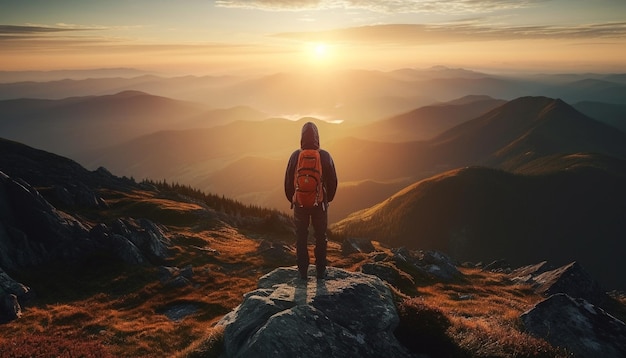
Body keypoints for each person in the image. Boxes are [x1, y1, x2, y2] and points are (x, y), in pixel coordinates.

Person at [284, 121, 337, 280]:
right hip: (319, 203)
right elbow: (333, 181)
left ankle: (302, 272)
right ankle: (321, 271)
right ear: (317, 137)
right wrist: (327, 199)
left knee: (301, 236)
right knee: (320, 236)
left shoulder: (295, 155)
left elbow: (287, 180)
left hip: (300, 203)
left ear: (301, 137)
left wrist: (292, 198)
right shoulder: (324, 155)